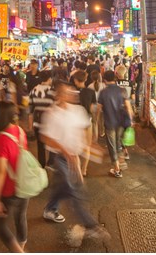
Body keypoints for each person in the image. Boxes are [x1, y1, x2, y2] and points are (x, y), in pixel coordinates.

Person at [39, 81, 111, 241]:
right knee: (74, 190)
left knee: (62, 187)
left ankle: (50, 208)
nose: (71, 94)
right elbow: (45, 137)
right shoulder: (51, 113)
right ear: (58, 95)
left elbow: (83, 131)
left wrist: (93, 147)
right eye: (66, 92)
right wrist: (65, 151)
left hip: (75, 157)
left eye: (71, 92)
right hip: (62, 159)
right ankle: (91, 225)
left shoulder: (78, 111)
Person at [0, 101, 30, 252]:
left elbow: (1, 170)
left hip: (9, 189)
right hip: (24, 183)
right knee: (20, 217)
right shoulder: (20, 130)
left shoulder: (1, 138)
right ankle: (21, 246)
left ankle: (18, 252)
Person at [98, 71, 133, 178]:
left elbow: (99, 109)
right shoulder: (122, 90)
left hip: (109, 122)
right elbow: (128, 107)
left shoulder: (103, 92)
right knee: (118, 142)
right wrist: (131, 120)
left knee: (111, 145)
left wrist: (98, 124)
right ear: (115, 78)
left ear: (104, 80)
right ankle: (120, 160)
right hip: (121, 122)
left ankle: (117, 168)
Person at [29, 70, 55, 168]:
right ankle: (51, 162)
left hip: (37, 122)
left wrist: (30, 125)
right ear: (49, 79)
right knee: (53, 144)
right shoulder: (53, 91)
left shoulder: (33, 90)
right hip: (50, 123)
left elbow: (30, 110)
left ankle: (42, 165)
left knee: (40, 146)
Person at [72, 71, 97, 177]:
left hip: (74, 122)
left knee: (74, 146)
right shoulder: (90, 92)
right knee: (87, 147)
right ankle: (84, 169)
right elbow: (92, 109)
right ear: (85, 79)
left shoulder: (72, 92)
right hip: (87, 121)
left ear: (75, 80)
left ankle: (75, 168)